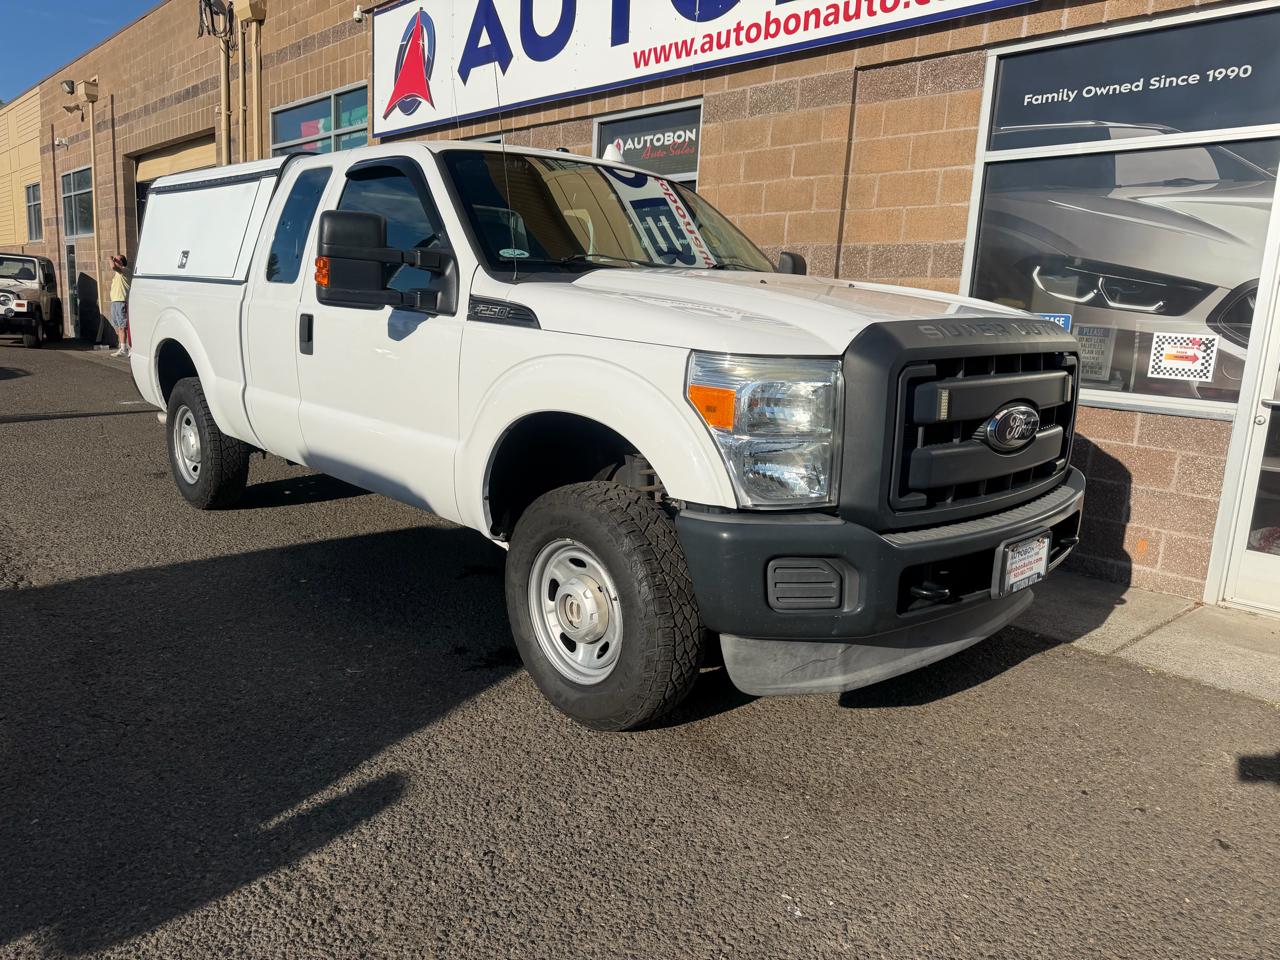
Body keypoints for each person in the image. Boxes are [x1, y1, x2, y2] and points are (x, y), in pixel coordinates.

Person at [109, 254, 131, 358]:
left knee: (123, 326)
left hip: (122, 301)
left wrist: (109, 259)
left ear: (121, 262)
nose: (114, 260)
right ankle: (122, 346)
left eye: (116, 259)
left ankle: (124, 349)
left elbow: (113, 266)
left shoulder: (125, 270)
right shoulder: (118, 274)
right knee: (118, 326)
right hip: (115, 301)